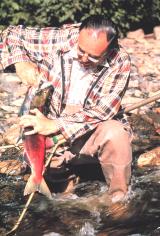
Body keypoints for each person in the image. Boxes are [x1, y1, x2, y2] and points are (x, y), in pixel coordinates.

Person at [0, 15, 132, 203]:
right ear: (78, 35)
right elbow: (10, 34)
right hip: (49, 129)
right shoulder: (60, 38)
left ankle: (118, 199)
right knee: (61, 199)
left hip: (90, 131)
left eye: (94, 56)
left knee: (116, 133)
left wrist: (56, 125)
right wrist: (21, 63)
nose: (84, 59)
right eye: (81, 51)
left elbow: (102, 112)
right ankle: (66, 192)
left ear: (109, 50)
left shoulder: (120, 61)